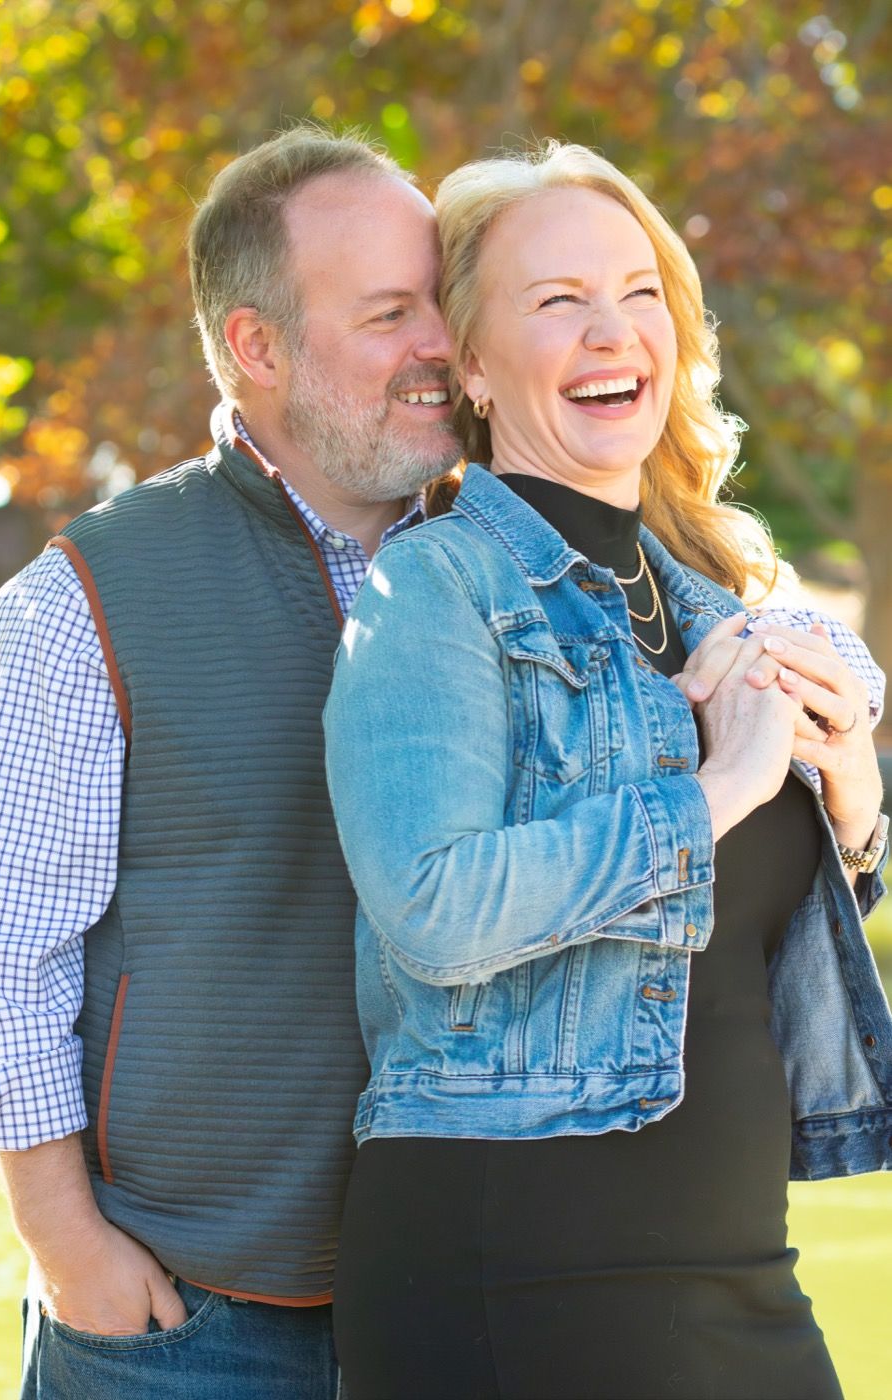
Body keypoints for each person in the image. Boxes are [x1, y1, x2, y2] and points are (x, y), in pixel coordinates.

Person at [323, 141, 892, 1400]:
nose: (610, 329)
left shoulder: (714, 610)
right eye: (557, 299)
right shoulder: (435, 588)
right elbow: (432, 904)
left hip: (734, 1266)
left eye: (639, 292)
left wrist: (853, 799)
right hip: (516, 1261)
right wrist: (722, 788)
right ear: (473, 364)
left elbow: (727, 926)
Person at [0, 124, 459, 1400]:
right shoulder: (80, 600)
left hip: (473, 1299)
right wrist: (69, 1248)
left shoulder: (513, 553)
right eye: (390, 313)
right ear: (257, 346)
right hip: (182, 1324)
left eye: (442, 302)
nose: (442, 345)